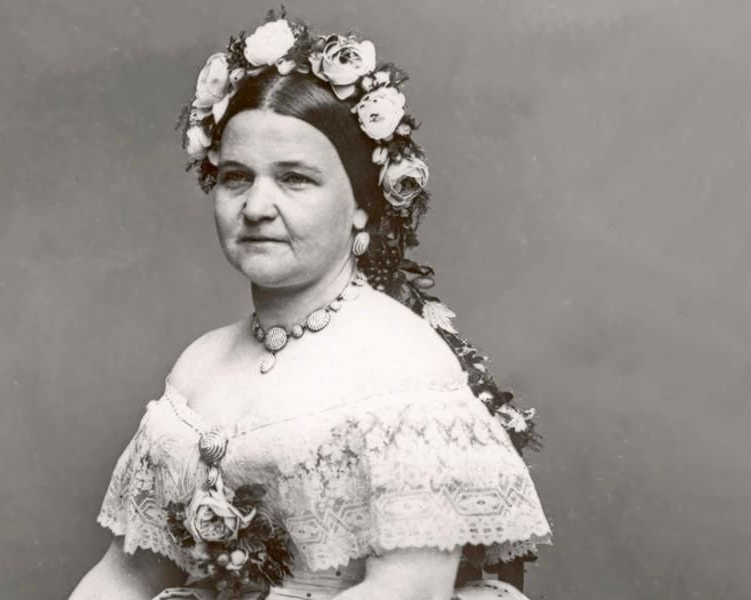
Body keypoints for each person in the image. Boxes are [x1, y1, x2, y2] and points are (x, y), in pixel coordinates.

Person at [69, 11, 551, 600]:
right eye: (236, 177)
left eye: (295, 179)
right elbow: (129, 576)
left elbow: (408, 592)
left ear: (361, 207)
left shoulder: (403, 367)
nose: (255, 207)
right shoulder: (197, 366)